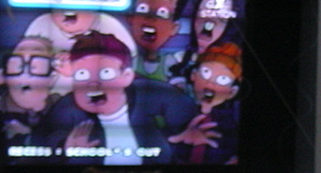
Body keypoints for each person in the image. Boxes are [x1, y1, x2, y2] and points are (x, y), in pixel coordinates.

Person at [35, 31, 217, 166]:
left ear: (127, 76)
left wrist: (185, 139)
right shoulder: (66, 109)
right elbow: (35, 148)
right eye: (82, 74)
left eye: (105, 73)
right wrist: (63, 148)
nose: (93, 84)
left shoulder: (155, 96)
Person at [0, 35, 61, 147]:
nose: (26, 73)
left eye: (37, 66)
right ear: (3, 75)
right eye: (18, 65)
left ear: (53, 78)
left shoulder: (62, 108)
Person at [128, 0, 191, 81]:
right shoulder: (127, 59)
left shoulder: (170, 62)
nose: (150, 19)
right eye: (142, 9)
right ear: (130, 19)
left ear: (174, 28)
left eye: (162, 13)